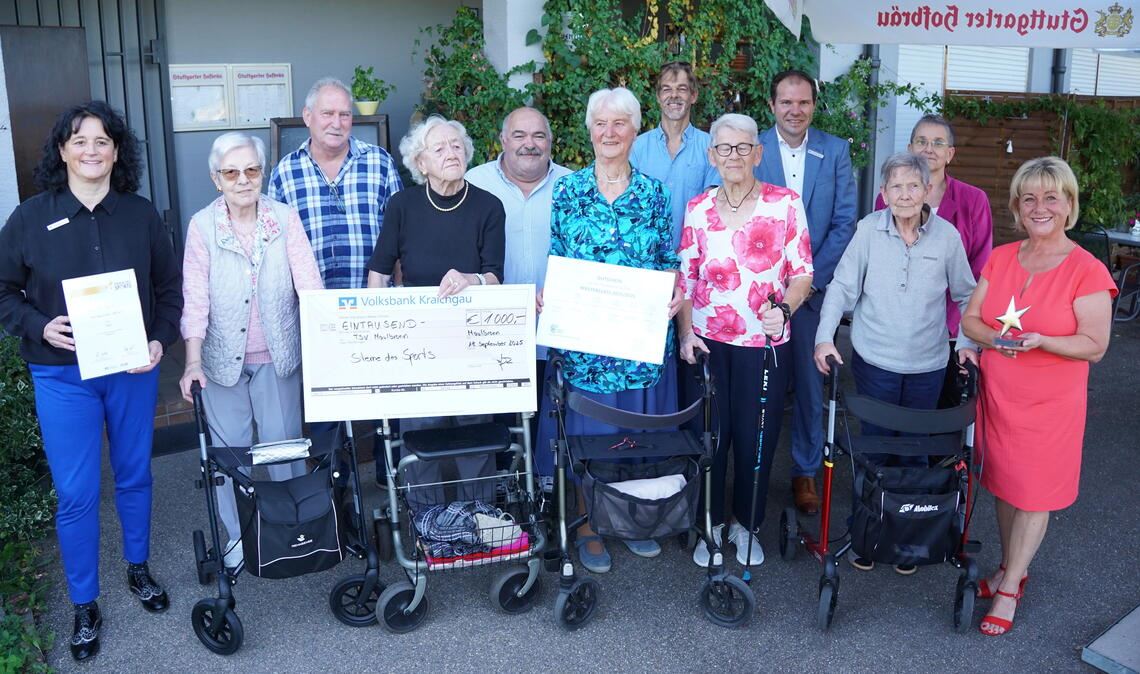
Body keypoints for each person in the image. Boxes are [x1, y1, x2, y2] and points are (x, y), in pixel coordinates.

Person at [0, 101, 181, 661]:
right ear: (62, 151)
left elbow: (169, 292)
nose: (91, 150)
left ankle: (138, 569)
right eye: (79, 141)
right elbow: (4, 292)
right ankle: (84, 602)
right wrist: (37, 324)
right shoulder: (30, 218)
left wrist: (159, 339)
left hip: (130, 371)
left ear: (117, 151)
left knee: (134, 476)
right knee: (76, 493)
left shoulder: (141, 215)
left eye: (102, 141)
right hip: (63, 377)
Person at [960, 157, 1114, 636]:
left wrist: (1043, 341)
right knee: (1006, 484)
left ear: (1068, 204)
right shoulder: (1002, 257)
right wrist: (995, 340)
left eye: (1051, 197)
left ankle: (1008, 591)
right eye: (1029, 198)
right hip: (1000, 396)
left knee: (1034, 493)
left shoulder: (1086, 269)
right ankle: (1013, 568)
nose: (1039, 207)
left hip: (1050, 405)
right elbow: (971, 320)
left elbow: (1095, 345)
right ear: (1017, 207)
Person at [537, 87, 684, 573]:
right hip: (586, 347)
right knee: (590, 437)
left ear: (635, 129)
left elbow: (668, 263)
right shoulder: (569, 191)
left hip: (639, 346)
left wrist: (674, 293)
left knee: (634, 439)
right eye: (600, 123)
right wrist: (552, 301)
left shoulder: (655, 194)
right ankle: (587, 525)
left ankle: (633, 519)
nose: (609, 132)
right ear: (589, 130)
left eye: (619, 123)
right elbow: (558, 260)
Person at [813, 152, 979, 574]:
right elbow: (840, 289)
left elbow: (967, 295)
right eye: (895, 187)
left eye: (912, 186)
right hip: (876, 362)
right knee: (875, 450)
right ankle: (869, 536)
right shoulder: (868, 231)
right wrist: (823, 338)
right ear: (883, 194)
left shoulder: (947, 238)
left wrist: (968, 342)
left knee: (916, 453)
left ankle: (908, 536)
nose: (904, 195)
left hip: (927, 365)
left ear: (927, 191)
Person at [178, 132, 324, 570]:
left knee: (286, 450)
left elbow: (309, 285)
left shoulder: (284, 218)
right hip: (223, 361)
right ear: (216, 178)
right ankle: (238, 536)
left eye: (252, 170)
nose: (243, 179)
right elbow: (195, 297)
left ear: (263, 173)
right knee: (229, 457)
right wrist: (192, 361)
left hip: (278, 356)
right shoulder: (203, 226)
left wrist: (326, 345)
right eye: (231, 172)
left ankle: (291, 528)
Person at [676, 113, 813, 567]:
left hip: (765, 345)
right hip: (709, 344)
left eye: (742, 148)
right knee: (711, 437)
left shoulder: (786, 204)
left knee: (757, 436)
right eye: (724, 148)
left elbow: (803, 274)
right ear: (712, 155)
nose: (733, 156)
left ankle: (746, 524)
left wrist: (785, 309)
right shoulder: (697, 208)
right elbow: (687, 280)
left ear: (758, 153)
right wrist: (685, 334)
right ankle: (711, 525)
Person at [367, 115, 505, 475]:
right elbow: (380, 271)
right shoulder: (402, 206)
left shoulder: (489, 206)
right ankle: (424, 524)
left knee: (475, 434)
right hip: (418, 340)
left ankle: (479, 519)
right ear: (420, 162)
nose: (451, 153)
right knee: (419, 435)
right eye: (439, 148)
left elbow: (495, 275)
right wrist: (376, 335)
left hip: (474, 338)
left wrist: (471, 280)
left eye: (457, 145)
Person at [756, 69, 857, 515]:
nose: (794, 110)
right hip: (758, 296)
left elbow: (843, 224)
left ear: (813, 105)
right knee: (758, 386)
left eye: (803, 102)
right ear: (772, 105)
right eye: (786, 102)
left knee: (811, 389)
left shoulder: (834, 151)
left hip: (812, 293)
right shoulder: (752, 148)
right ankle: (753, 469)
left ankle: (804, 471)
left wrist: (807, 281)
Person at [876, 114, 993, 406]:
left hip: (951, 330)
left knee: (940, 414)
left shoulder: (974, 200)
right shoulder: (888, 198)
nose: (929, 149)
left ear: (950, 153)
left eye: (938, 143)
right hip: (896, 330)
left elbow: (980, 268)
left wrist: (961, 324)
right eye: (922, 141)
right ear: (909, 148)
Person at [466, 107, 571, 422]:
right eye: (519, 135)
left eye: (539, 135)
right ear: (502, 140)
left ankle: (549, 475)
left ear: (550, 142)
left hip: (559, 334)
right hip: (494, 335)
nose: (530, 144)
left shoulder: (574, 186)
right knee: (500, 432)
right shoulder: (474, 184)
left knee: (554, 428)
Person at [269, 76, 403, 290]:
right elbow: (275, 248)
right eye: (327, 114)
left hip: (375, 305)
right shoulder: (284, 173)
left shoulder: (381, 163)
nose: (336, 123)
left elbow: (401, 234)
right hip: (312, 307)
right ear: (307, 116)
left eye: (344, 115)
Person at [630, 61, 720, 247]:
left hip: (694, 257)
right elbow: (630, 208)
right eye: (666, 89)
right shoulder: (636, 148)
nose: (674, 96)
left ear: (693, 95)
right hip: (647, 257)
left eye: (682, 89)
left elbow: (710, 210)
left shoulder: (711, 147)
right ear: (658, 96)